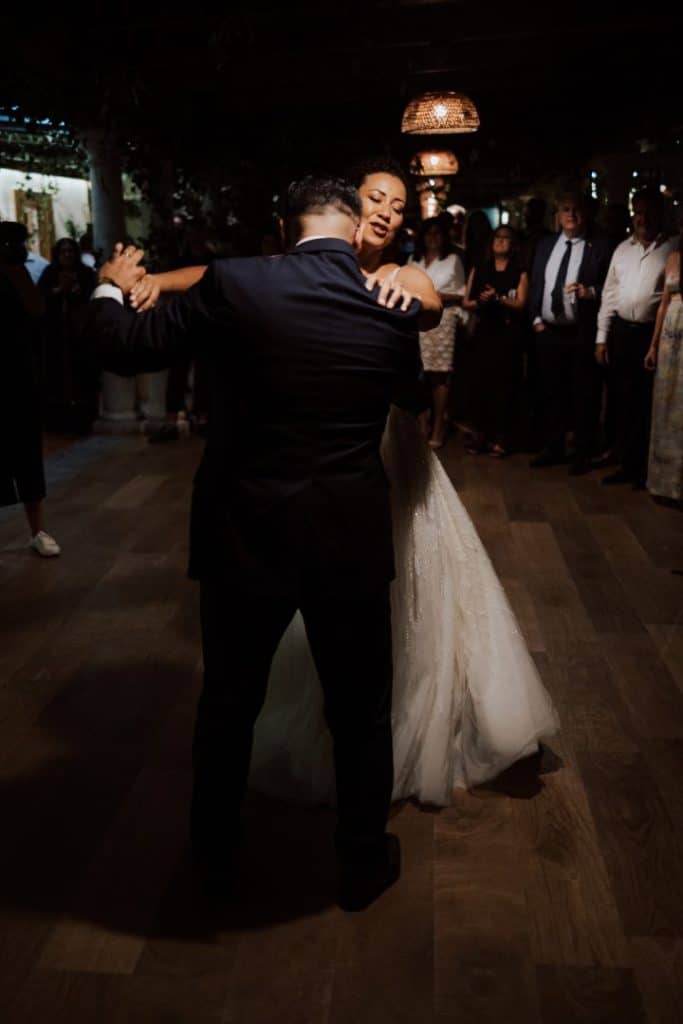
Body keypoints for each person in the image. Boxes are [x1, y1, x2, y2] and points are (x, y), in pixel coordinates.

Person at [131, 161, 559, 812]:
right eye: (375, 198)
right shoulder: (285, 268)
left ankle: (402, 723)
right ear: (349, 209)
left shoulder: (396, 275)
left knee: (394, 596)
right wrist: (147, 280)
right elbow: (217, 279)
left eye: (398, 204)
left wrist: (408, 300)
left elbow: (426, 302)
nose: (388, 210)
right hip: (309, 473)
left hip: (379, 456)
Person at [87, 175, 433, 913]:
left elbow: (122, 348)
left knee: (228, 704)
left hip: (247, 532)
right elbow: (413, 398)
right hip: (347, 536)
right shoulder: (389, 306)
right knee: (359, 712)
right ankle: (362, 866)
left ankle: (213, 864)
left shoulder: (237, 286)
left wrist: (112, 285)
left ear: (284, 230)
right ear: (350, 233)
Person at [596, 187, 676, 489]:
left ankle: (647, 469)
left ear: (660, 213)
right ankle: (627, 465)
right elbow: (609, 295)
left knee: (648, 405)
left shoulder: (672, 246)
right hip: (622, 332)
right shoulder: (622, 249)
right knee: (623, 401)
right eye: (638, 211)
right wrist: (601, 338)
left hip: (652, 335)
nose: (642, 218)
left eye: (648, 211)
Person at [529, 191, 613, 475]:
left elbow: (612, 289)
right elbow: (535, 282)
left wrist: (589, 292)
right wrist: (537, 320)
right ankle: (553, 447)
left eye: (577, 209)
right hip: (548, 331)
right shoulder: (545, 244)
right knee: (551, 392)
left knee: (583, 395)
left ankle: (582, 452)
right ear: (558, 214)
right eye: (566, 209)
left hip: (581, 332)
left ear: (586, 214)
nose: (571, 215)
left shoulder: (599, 246)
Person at [0, 222, 60, 557]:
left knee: (26, 457)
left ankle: (38, 530)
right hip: (11, 377)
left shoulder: (21, 276)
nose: (17, 247)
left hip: (21, 379)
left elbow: (38, 316)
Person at [463, 226, 528, 456]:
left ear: (513, 244)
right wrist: (481, 301)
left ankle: (503, 437)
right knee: (482, 384)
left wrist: (498, 299)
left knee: (505, 385)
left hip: (507, 335)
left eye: (506, 238)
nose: (501, 242)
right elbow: (466, 302)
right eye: (497, 238)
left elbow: (520, 303)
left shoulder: (519, 271)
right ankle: (481, 434)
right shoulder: (480, 269)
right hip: (484, 333)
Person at [410, 216, 466, 448]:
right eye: (428, 233)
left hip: (443, 322)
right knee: (417, 374)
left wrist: (442, 296)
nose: (433, 238)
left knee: (439, 375)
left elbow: (464, 293)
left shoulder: (452, 260)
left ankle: (438, 427)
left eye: (437, 233)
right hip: (415, 321)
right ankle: (422, 424)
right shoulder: (413, 260)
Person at [38, 237, 98, 433]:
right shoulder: (50, 273)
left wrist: (74, 290)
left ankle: (83, 420)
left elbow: (91, 299)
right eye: (63, 252)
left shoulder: (86, 274)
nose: (67, 256)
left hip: (80, 336)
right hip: (56, 337)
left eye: (70, 251)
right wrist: (58, 291)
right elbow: (41, 299)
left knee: (81, 377)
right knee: (56, 378)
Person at [645, 227, 683, 503]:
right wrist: (653, 344)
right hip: (672, 336)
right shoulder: (673, 257)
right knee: (666, 405)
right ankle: (664, 483)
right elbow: (663, 304)